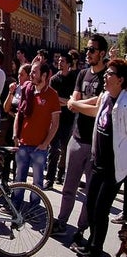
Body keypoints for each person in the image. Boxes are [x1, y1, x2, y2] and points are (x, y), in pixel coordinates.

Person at [68, 58, 127, 257]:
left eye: (110, 73)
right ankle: (90, 244)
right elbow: (95, 111)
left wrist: (74, 104)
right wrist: (74, 104)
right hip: (97, 161)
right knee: (91, 206)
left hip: (113, 168)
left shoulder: (125, 104)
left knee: (101, 211)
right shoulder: (106, 97)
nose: (106, 76)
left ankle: (95, 254)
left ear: (120, 80)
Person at [55, 34, 110, 245]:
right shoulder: (82, 74)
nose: (87, 53)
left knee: (90, 193)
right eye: (87, 49)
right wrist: (81, 104)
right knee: (68, 186)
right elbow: (73, 102)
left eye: (92, 50)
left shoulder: (107, 76)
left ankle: (81, 230)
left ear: (102, 53)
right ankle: (61, 222)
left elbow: (97, 111)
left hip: (95, 142)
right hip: (76, 138)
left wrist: (77, 104)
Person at [11, 60, 61, 199]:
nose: (31, 75)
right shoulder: (28, 90)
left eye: (34, 72)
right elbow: (19, 114)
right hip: (23, 144)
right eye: (31, 71)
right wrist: (15, 135)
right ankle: (16, 207)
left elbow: (55, 123)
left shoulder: (52, 95)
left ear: (44, 76)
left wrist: (45, 143)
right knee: (19, 179)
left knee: (37, 182)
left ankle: (34, 210)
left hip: (39, 147)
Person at [47, 51, 79, 189]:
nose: (60, 63)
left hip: (69, 119)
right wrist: (67, 102)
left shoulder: (74, 78)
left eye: (63, 61)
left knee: (65, 148)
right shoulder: (54, 79)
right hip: (56, 118)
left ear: (69, 64)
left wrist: (65, 101)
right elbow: (52, 99)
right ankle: (50, 178)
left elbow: (76, 99)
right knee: (53, 149)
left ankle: (61, 174)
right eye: (59, 60)